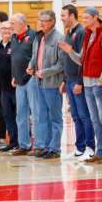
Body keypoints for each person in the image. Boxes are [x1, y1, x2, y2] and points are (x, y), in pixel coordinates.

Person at [61, 7, 102, 164]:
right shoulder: (88, 35)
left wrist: (101, 80)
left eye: (86, 18)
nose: (83, 20)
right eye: (83, 18)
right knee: (94, 119)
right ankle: (100, 151)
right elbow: (82, 60)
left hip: (99, 84)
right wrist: (71, 51)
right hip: (88, 83)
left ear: (95, 17)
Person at [28, 10, 65, 159]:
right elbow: (34, 56)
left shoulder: (59, 39)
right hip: (39, 83)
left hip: (52, 83)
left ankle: (55, 148)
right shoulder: (38, 37)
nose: (41, 23)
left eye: (45, 20)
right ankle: (43, 146)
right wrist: (31, 66)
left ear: (53, 22)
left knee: (55, 117)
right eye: (40, 20)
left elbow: (61, 64)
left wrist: (45, 72)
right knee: (41, 116)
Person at [60, 4, 95, 160]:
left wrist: (80, 82)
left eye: (63, 15)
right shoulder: (69, 33)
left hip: (77, 80)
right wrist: (64, 79)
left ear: (72, 16)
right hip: (69, 80)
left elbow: (82, 59)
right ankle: (79, 148)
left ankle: (90, 147)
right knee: (75, 115)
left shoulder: (81, 32)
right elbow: (67, 58)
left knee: (84, 115)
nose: (62, 18)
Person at [8, 14, 38, 156]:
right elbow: (14, 57)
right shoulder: (14, 38)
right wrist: (14, 75)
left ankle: (38, 144)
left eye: (13, 23)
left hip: (31, 79)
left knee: (35, 113)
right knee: (21, 114)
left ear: (22, 23)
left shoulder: (33, 35)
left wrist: (31, 72)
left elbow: (35, 56)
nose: (10, 26)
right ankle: (24, 144)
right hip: (19, 81)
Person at [0, 22, 18, 152]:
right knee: (7, 116)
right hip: (3, 89)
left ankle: (22, 142)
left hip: (15, 87)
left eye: (9, 28)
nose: (6, 30)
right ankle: (12, 142)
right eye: (3, 28)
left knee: (18, 115)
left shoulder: (15, 45)